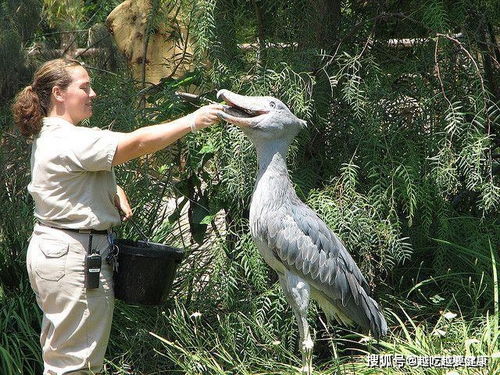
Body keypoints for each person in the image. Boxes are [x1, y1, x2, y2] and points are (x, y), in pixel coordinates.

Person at [11, 58, 222, 375]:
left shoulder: (55, 135)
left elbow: (69, 178)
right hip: (74, 257)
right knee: (76, 365)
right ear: (58, 93)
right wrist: (193, 120)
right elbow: (136, 143)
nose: (93, 93)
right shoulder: (69, 139)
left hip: (58, 248)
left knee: (66, 358)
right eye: (84, 87)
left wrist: (111, 190)